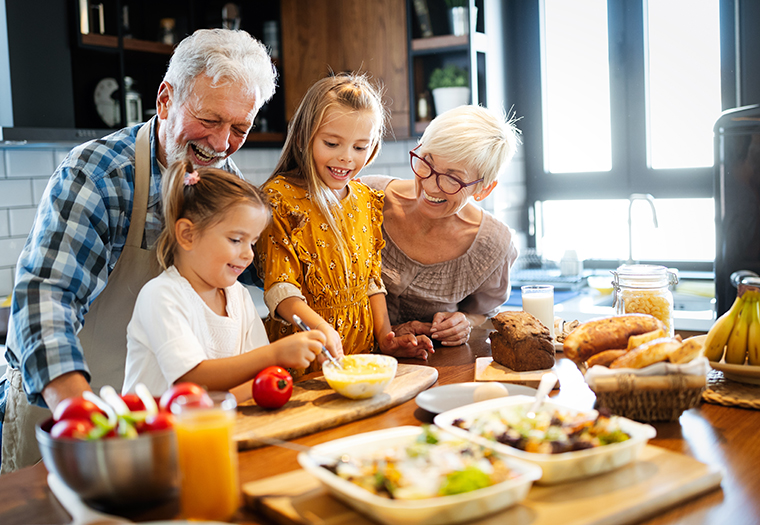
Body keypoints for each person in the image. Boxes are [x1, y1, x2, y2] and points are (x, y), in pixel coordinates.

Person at [0, 28, 277, 473]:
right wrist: (84, 423)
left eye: (240, 128)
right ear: (165, 99)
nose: (222, 144)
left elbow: (262, 273)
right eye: (209, 120)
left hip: (166, 423)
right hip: (68, 408)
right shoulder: (98, 174)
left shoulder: (228, 186)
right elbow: (45, 301)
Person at [256, 73, 432, 379]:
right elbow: (280, 289)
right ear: (302, 136)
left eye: (360, 147)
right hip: (304, 362)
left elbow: (370, 281)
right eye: (332, 143)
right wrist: (321, 329)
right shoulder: (279, 197)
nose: (346, 158)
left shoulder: (366, 199)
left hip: (363, 356)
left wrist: (385, 337)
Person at [122, 161, 325, 401]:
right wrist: (276, 354)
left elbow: (249, 381)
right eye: (236, 240)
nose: (249, 254)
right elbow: (189, 381)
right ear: (187, 234)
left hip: (213, 426)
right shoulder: (161, 295)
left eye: (252, 242)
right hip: (156, 434)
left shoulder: (238, 295)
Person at [361, 105, 520, 346]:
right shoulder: (365, 198)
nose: (431, 186)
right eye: (427, 161)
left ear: (483, 189)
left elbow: (483, 314)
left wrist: (463, 322)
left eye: (452, 178)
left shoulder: (493, 245)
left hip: (437, 372)